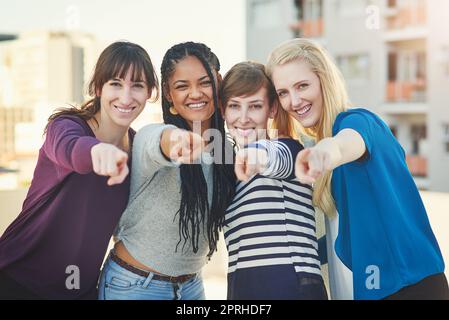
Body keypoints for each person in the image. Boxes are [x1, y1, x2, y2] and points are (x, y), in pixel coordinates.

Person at [266, 38, 449, 300]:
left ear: (324, 82)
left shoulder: (358, 122)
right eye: (283, 92)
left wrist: (321, 156)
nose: (294, 101)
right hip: (381, 290)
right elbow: (355, 236)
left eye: (302, 85)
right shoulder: (328, 140)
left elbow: (341, 146)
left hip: (410, 287)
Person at [0, 41, 159, 299]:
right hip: (17, 280)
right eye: (116, 84)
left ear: (149, 92)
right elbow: (72, 148)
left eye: (137, 86)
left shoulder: (140, 150)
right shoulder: (65, 127)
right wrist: (99, 152)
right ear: (98, 87)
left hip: (78, 292)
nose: (126, 97)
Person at [97, 42, 236, 300]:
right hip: (134, 287)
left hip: (191, 287)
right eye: (182, 86)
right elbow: (160, 142)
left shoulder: (226, 152)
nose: (195, 93)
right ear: (169, 95)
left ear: (218, 82)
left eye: (204, 82)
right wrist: (179, 142)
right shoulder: (153, 135)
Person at [220, 61, 327, 300]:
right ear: (223, 111)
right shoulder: (230, 174)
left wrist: (258, 154)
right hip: (242, 290)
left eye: (255, 106)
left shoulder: (287, 147)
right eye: (235, 106)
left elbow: (278, 158)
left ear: (271, 110)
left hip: (291, 287)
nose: (244, 118)